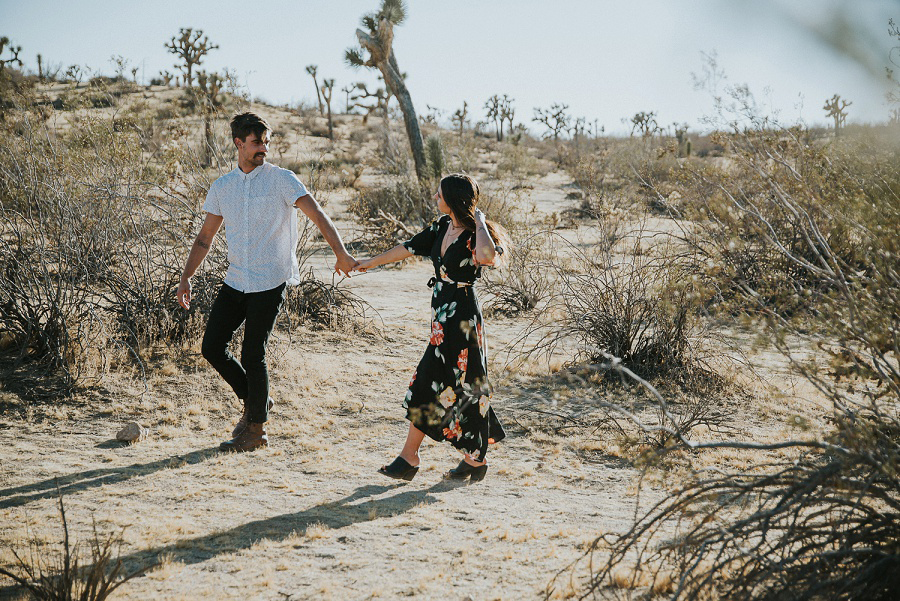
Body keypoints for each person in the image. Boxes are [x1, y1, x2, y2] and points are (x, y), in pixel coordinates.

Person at [176, 112, 357, 452]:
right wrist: (186, 276)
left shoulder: (282, 180)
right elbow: (205, 237)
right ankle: (257, 401)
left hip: (271, 278)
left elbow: (317, 214)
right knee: (212, 346)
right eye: (257, 143)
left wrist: (341, 253)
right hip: (237, 277)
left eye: (266, 143)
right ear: (239, 143)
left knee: (253, 351)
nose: (264, 149)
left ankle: (256, 431)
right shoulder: (223, 187)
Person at [353, 173, 507, 482]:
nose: (434, 198)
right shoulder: (441, 227)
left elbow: (488, 257)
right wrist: (367, 263)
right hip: (441, 320)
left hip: (463, 320)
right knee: (436, 383)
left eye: (439, 194)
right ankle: (454, 459)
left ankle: (417, 458)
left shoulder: (476, 234)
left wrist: (479, 221)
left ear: (452, 198)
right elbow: (407, 248)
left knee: (456, 385)